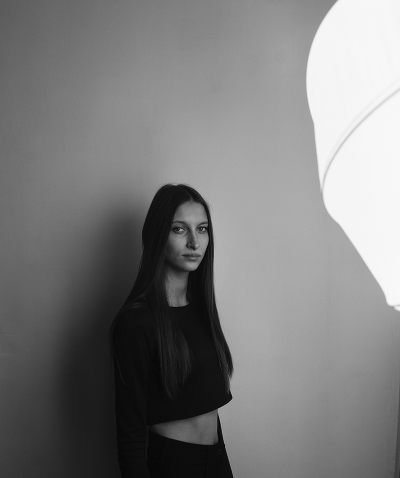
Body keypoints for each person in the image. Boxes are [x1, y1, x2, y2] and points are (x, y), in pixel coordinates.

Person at [111, 183, 234, 478]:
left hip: (217, 458)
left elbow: (205, 403)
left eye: (202, 229)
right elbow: (130, 435)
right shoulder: (136, 322)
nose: (194, 242)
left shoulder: (202, 309)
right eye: (179, 229)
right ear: (158, 236)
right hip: (174, 465)